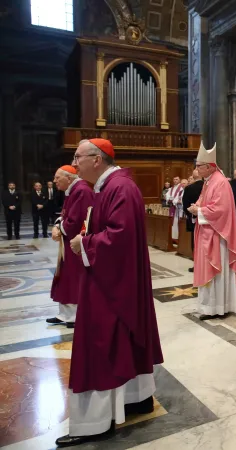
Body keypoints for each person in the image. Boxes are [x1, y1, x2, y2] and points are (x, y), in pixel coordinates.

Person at [59, 138, 163, 447]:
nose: (74, 164)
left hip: (111, 283)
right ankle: (135, 397)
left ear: (97, 159)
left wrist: (84, 244)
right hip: (109, 279)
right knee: (118, 342)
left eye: (78, 157)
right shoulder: (107, 187)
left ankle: (94, 421)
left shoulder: (120, 188)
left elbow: (119, 238)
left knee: (101, 344)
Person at [188, 143, 236, 320]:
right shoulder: (208, 182)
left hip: (218, 236)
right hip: (208, 232)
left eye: (199, 166)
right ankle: (209, 306)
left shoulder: (220, 182)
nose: (196, 169)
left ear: (209, 166)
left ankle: (218, 307)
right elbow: (203, 201)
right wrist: (196, 206)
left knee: (217, 272)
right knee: (208, 271)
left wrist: (199, 211)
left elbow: (221, 210)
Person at [48, 165, 94, 328]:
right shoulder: (73, 190)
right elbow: (65, 214)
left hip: (75, 242)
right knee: (66, 275)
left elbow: (77, 221)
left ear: (69, 178)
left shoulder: (81, 190)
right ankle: (64, 314)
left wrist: (59, 229)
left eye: (57, 177)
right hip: (67, 241)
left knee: (73, 277)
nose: (54, 181)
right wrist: (57, 225)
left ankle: (74, 316)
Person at [182, 169, 204, 273]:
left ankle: (196, 265)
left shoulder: (188, 188)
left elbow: (185, 206)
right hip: (206, 219)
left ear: (193, 177)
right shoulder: (207, 186)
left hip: (193, 219)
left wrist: (191, 216)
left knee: (194, 242)